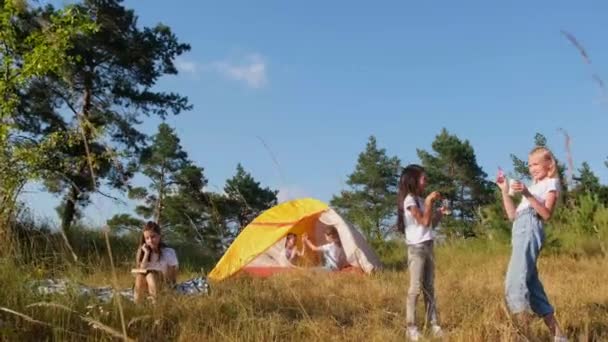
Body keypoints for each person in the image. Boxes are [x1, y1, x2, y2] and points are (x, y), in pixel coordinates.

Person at [496, 147, 567, 341]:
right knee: (531, 286)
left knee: (514, 284)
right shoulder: (533, 187)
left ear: (548, 164)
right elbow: (513, 216)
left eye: (535, 164)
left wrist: (527, 194)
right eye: (529, 165)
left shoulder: (551, 183)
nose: (531, 168)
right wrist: (504, 191)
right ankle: (559, 336)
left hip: (530, 228)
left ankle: (523, 336)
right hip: (519, 229)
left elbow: (546, 214)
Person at [396, 164, 446, 341]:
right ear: (414, 180)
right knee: (416, 288)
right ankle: (411, 328)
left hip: (428, 245)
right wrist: (428, 202)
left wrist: (439, 213)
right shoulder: (410, 201)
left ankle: (433, 324)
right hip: (416, 249)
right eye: (424, 178)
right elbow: (424, 222)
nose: (426, 182)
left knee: (429, 287)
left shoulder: (419, 199)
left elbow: (430, 224)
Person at [133, 221, 179, 304]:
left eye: (153, 237)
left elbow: (172, 276)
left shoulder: (168, 252)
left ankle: (156, 303)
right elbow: (141, 270)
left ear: (159, 236)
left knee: (151, 275)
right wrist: (146, 254)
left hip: (161, 283)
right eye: (147, 238)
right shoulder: (143, 252)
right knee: (141, 275)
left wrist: (168, 286)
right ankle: (137, 305)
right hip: (144, 285)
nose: (150, 240)